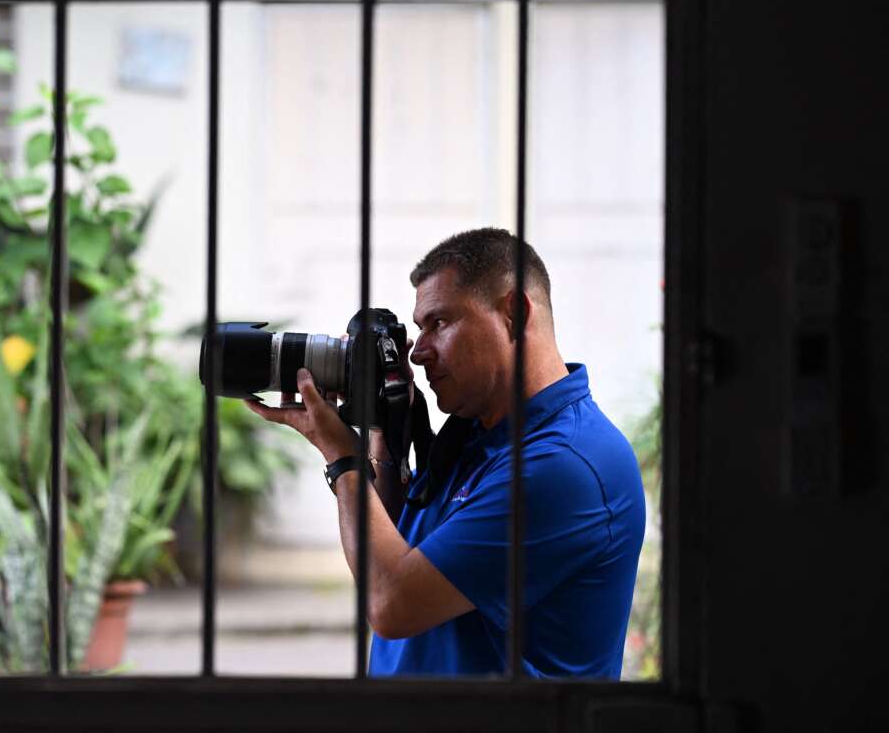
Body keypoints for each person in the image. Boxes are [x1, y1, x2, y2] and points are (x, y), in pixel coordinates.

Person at [245, 227, 646, 678]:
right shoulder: (475, 432)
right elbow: (397, 554)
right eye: (418, 329)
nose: (417, 354)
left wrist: (343, 459)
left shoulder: (566, 464)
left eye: (439, 323)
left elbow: (392, 602)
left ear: (514, 313)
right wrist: (385, 435)